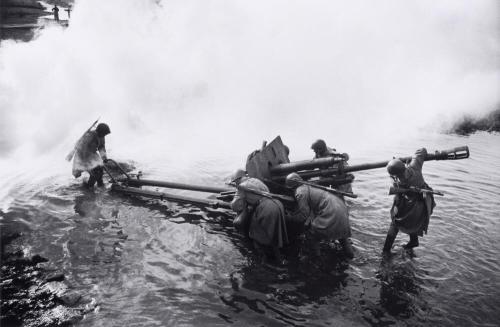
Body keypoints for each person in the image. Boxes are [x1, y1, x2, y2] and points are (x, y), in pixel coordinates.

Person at [285, 173, 354, 259]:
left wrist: (288, 217)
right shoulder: (309, 185)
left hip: (331, 211)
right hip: (341, 209)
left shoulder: (300, 192)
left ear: (291, 186)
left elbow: (303, 215)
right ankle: (350, 256)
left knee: (311, 235)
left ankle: (316, 258)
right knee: (343, 237)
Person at [382, 148, 436, 252]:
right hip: (422, 206)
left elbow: (394, 176)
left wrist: (396, 162)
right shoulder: (415, 167)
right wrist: (405, 161)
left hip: (408, 208)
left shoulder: (396, 181)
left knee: (395, 221)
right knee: (410, 216)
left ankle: (386, 250)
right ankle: (413, 241)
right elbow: (422, 151)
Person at [72, 123, 111, 188]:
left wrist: (104, 158)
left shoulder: (102, 137)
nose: (104, 135)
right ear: (99, 131)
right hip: (82, 155)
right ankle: (89, 186)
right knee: (95, 172)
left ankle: (100, 184)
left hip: (92, 154)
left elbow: (101, 147)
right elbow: (83, 148)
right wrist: (87, 163)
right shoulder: (90, 135)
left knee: (100, 169)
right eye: (104, 133)